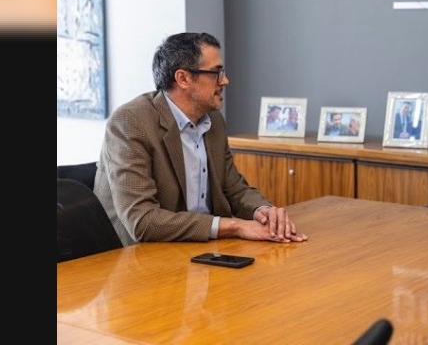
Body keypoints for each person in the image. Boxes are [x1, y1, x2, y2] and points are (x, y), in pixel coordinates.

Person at [93, 32, 308, 246]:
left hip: (199, 246)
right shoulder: (130, 122)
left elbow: (234, 188)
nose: (225, 80)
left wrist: (264, 211)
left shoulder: (213, 120)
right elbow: (142, 221)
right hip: (139, 255)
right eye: (216, 72)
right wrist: (235, 226)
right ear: (183, 79)